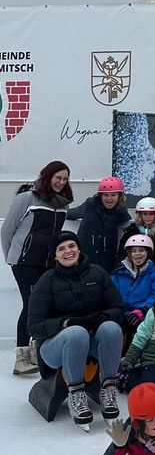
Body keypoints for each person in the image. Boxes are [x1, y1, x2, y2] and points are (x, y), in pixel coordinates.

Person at [27, 231, 124, 429]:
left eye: (71, 246)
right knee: (76, 332)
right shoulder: (47, 281)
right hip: (55, 348)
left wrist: (102, 317)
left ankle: (108, 389)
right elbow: (34, 327)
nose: (68, 251)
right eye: (61, 249)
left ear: (79, 248)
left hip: (91, 342)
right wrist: (64, 324)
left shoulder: (98, 273)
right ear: (55, 256)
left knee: (112, 328)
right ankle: (76, 393)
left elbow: (118, 308)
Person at [2, 160, 72, 376]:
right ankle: (22, 356)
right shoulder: (27, 199)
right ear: (47, 176)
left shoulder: (63, 205)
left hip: (48, 263)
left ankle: (36, 350)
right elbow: (7, 230)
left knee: (45, 306)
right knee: (31, 305)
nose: (61, 182)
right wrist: (12, 256)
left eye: (65, 179)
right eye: (58, 177)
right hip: (25, 262)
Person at [110, 234, 155, 350]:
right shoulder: (119, 273)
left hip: (140, 313)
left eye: (141, 250)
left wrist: (142, 310)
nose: (137, 254)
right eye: (133, 251)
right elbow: (110, 292)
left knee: (143, 326)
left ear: (148, 253)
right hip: (120, 312)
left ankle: (139, 355)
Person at [66, 176, 130, 271]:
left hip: (106, 261)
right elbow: (73, 213)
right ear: (100, 196)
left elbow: (128, 222)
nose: (109, 199)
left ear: (119, 196)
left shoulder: (121, 211)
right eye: (105, 195)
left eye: (113, 195)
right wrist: (58, 211)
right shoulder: (90, 205)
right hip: (85, 257)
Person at [118, 197, 155, 273]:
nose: (148, 217)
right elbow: (122, 253)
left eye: (151, 214)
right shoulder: (131, 231)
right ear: (140, 215)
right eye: (145, 213)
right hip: (135, 270)